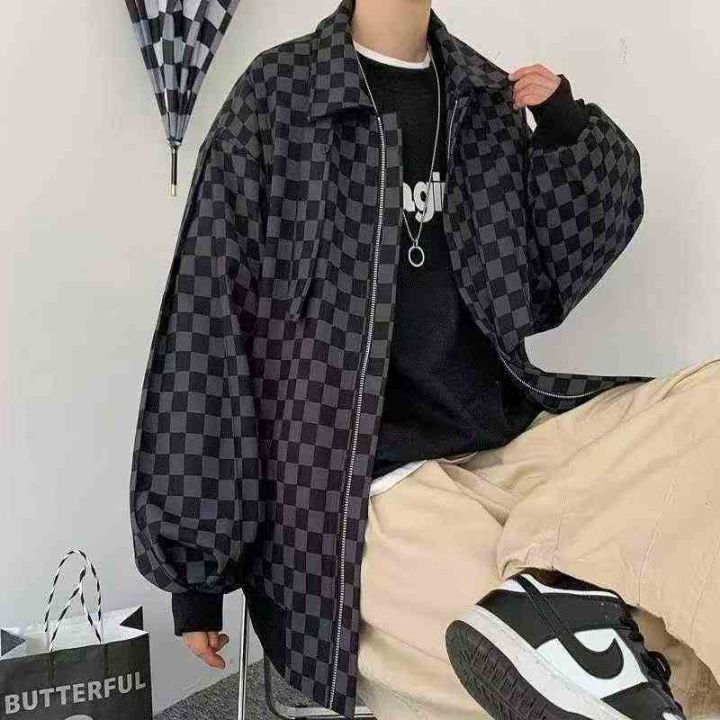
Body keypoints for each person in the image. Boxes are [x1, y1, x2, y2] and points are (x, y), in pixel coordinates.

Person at [129, 0, 720, 718]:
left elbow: (543, 280)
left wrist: (567, 133)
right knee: (517, 638)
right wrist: (196, 575)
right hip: (360, 487)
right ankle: (586, 617)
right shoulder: (279, 99)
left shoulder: (481, 97)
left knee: (706, 406)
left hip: (511, 442)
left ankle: (566, 604)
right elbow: (206, 327)